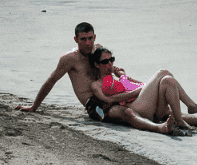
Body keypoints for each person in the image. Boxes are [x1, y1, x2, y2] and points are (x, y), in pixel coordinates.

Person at [14, 22, 174, 134]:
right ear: (76, 39)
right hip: (95, 105)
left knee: (160, 110)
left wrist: (130, 81)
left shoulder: (98, 50)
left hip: (110, 94)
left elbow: (111, 72)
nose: (87, 43)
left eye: (90, 38)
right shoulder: (69, 59)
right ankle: (160, 129)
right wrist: (34, 107)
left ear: (95, 37)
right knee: (128, 113)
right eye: (83, 39)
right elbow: (51, 81)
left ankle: (180, 120)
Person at [90, 46, 197, 131]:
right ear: (97, 64)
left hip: (147, 104)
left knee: (168, 80)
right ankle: (191, 105)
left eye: (111, 60)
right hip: (136, 107)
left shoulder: (117, 77)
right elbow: (108, 99)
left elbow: (142, 84)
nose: (109, 64)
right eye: (105, 62)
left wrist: (124, 76)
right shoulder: (96, 84)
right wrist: (138, 91)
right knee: (163, 72)